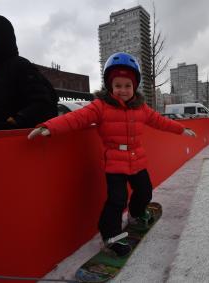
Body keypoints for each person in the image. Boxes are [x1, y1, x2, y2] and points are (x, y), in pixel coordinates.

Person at [27, 52, 197, 257]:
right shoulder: (101, 106)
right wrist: (49, 127)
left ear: (134, 87)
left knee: (145, 192)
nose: (123, 90)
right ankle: (111, 235)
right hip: (115, 162)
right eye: (118, 85)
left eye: (127, 85)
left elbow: (160, 121)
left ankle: (135, 215)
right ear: (110, 86)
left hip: (137, 160)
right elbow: (76, 118)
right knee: (117, 200)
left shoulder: (141, 108)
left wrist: (180, 129)